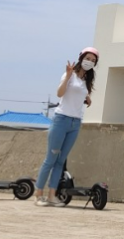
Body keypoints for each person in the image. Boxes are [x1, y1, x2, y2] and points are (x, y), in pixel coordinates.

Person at [34, 47, 98, 207]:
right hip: (61, 119)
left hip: (75, 122)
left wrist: (87, 98)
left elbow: (79, 93)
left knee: (60, 161)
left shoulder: (85, 81)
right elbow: (60, 93)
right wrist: (68, 75)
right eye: (88, 58)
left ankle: (52, 196)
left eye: (93, 60)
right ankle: (38, 194)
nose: (89, 61)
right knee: (50, 159)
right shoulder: (70, 75)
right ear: (81, 57)